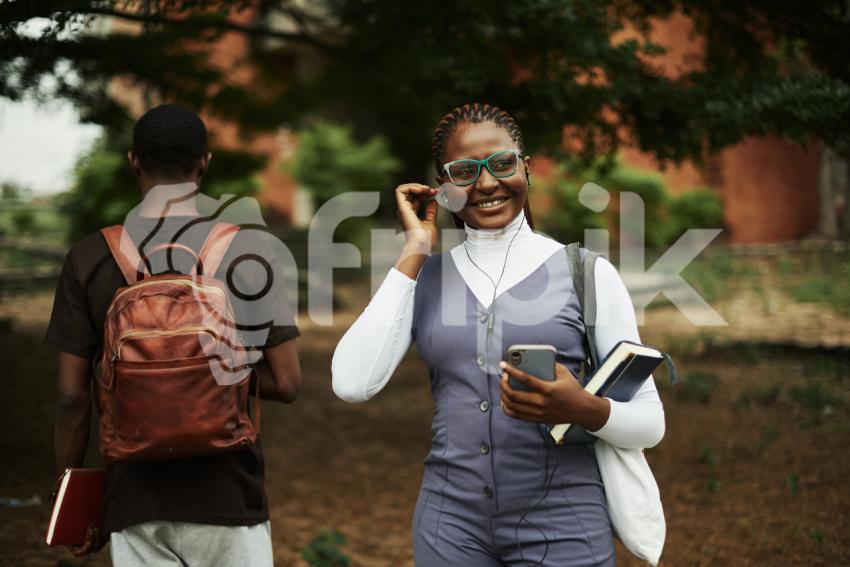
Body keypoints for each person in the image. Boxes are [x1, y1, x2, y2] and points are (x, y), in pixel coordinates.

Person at [332, 103, 665, 566]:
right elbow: (351, 383)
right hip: (450, 527)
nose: (486, 183)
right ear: (444, 188)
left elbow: (651, 423)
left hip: (564, 523)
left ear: (526, 168)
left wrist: (582, 408)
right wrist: (413, 251)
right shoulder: (425, 279)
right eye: (464, 172)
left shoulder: (586, 274)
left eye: (502, 163)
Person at [46, 104, 301, 566]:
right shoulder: (249, 252)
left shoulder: (88, 258)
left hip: (134, 504)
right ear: (204, 162)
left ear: (133, 162)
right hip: (230, 498)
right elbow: (286, 383)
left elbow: (70, 398)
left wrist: (77, 500)